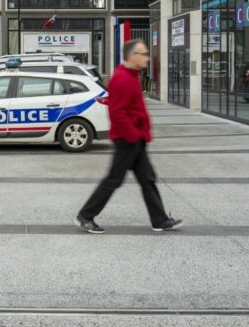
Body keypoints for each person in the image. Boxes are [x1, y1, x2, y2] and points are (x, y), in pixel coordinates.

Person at [74, 40, 182, 234]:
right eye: (143, 53)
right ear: (132, 56)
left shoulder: (132, 76)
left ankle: (160, 220)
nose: (147, 57)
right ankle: (86, 216)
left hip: (135, 139)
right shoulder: (122, 79)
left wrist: (143, 133)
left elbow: (135, 109)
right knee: (114, 180)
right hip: (127, 140)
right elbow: (117, 113)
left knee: (147, 179)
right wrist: (132, 135)